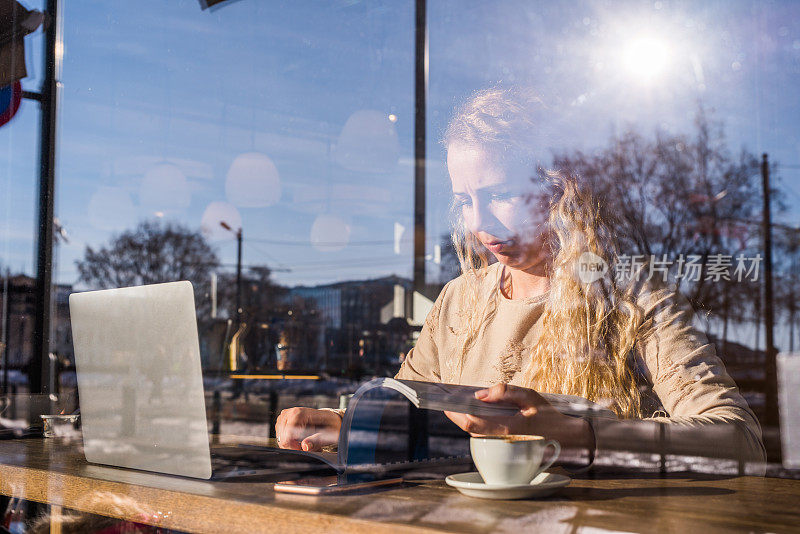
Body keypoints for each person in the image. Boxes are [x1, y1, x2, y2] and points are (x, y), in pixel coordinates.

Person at [276, 87, 766, 470]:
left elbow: (740, 443)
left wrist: (581, 436)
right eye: (466, 201)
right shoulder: (460, 299)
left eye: (502, 194)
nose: (478, 224)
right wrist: (342, 425)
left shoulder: (631, 296)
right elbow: (405, 408)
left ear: (560, 190)